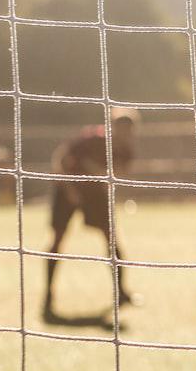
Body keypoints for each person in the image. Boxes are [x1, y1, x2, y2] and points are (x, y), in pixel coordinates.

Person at [43, 108, 140, 325]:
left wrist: (97, 173)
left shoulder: (125, 150)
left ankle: (121, 292)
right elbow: (61, 157)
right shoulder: (94, 139)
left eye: (128, 130)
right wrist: (70, 188)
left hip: (94, 193)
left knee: (111, 238)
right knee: (57, 240)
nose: (124, 134)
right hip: (67, 189)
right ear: (112, 127)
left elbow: (117, 173)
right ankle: (48, 296)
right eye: (120, 128)